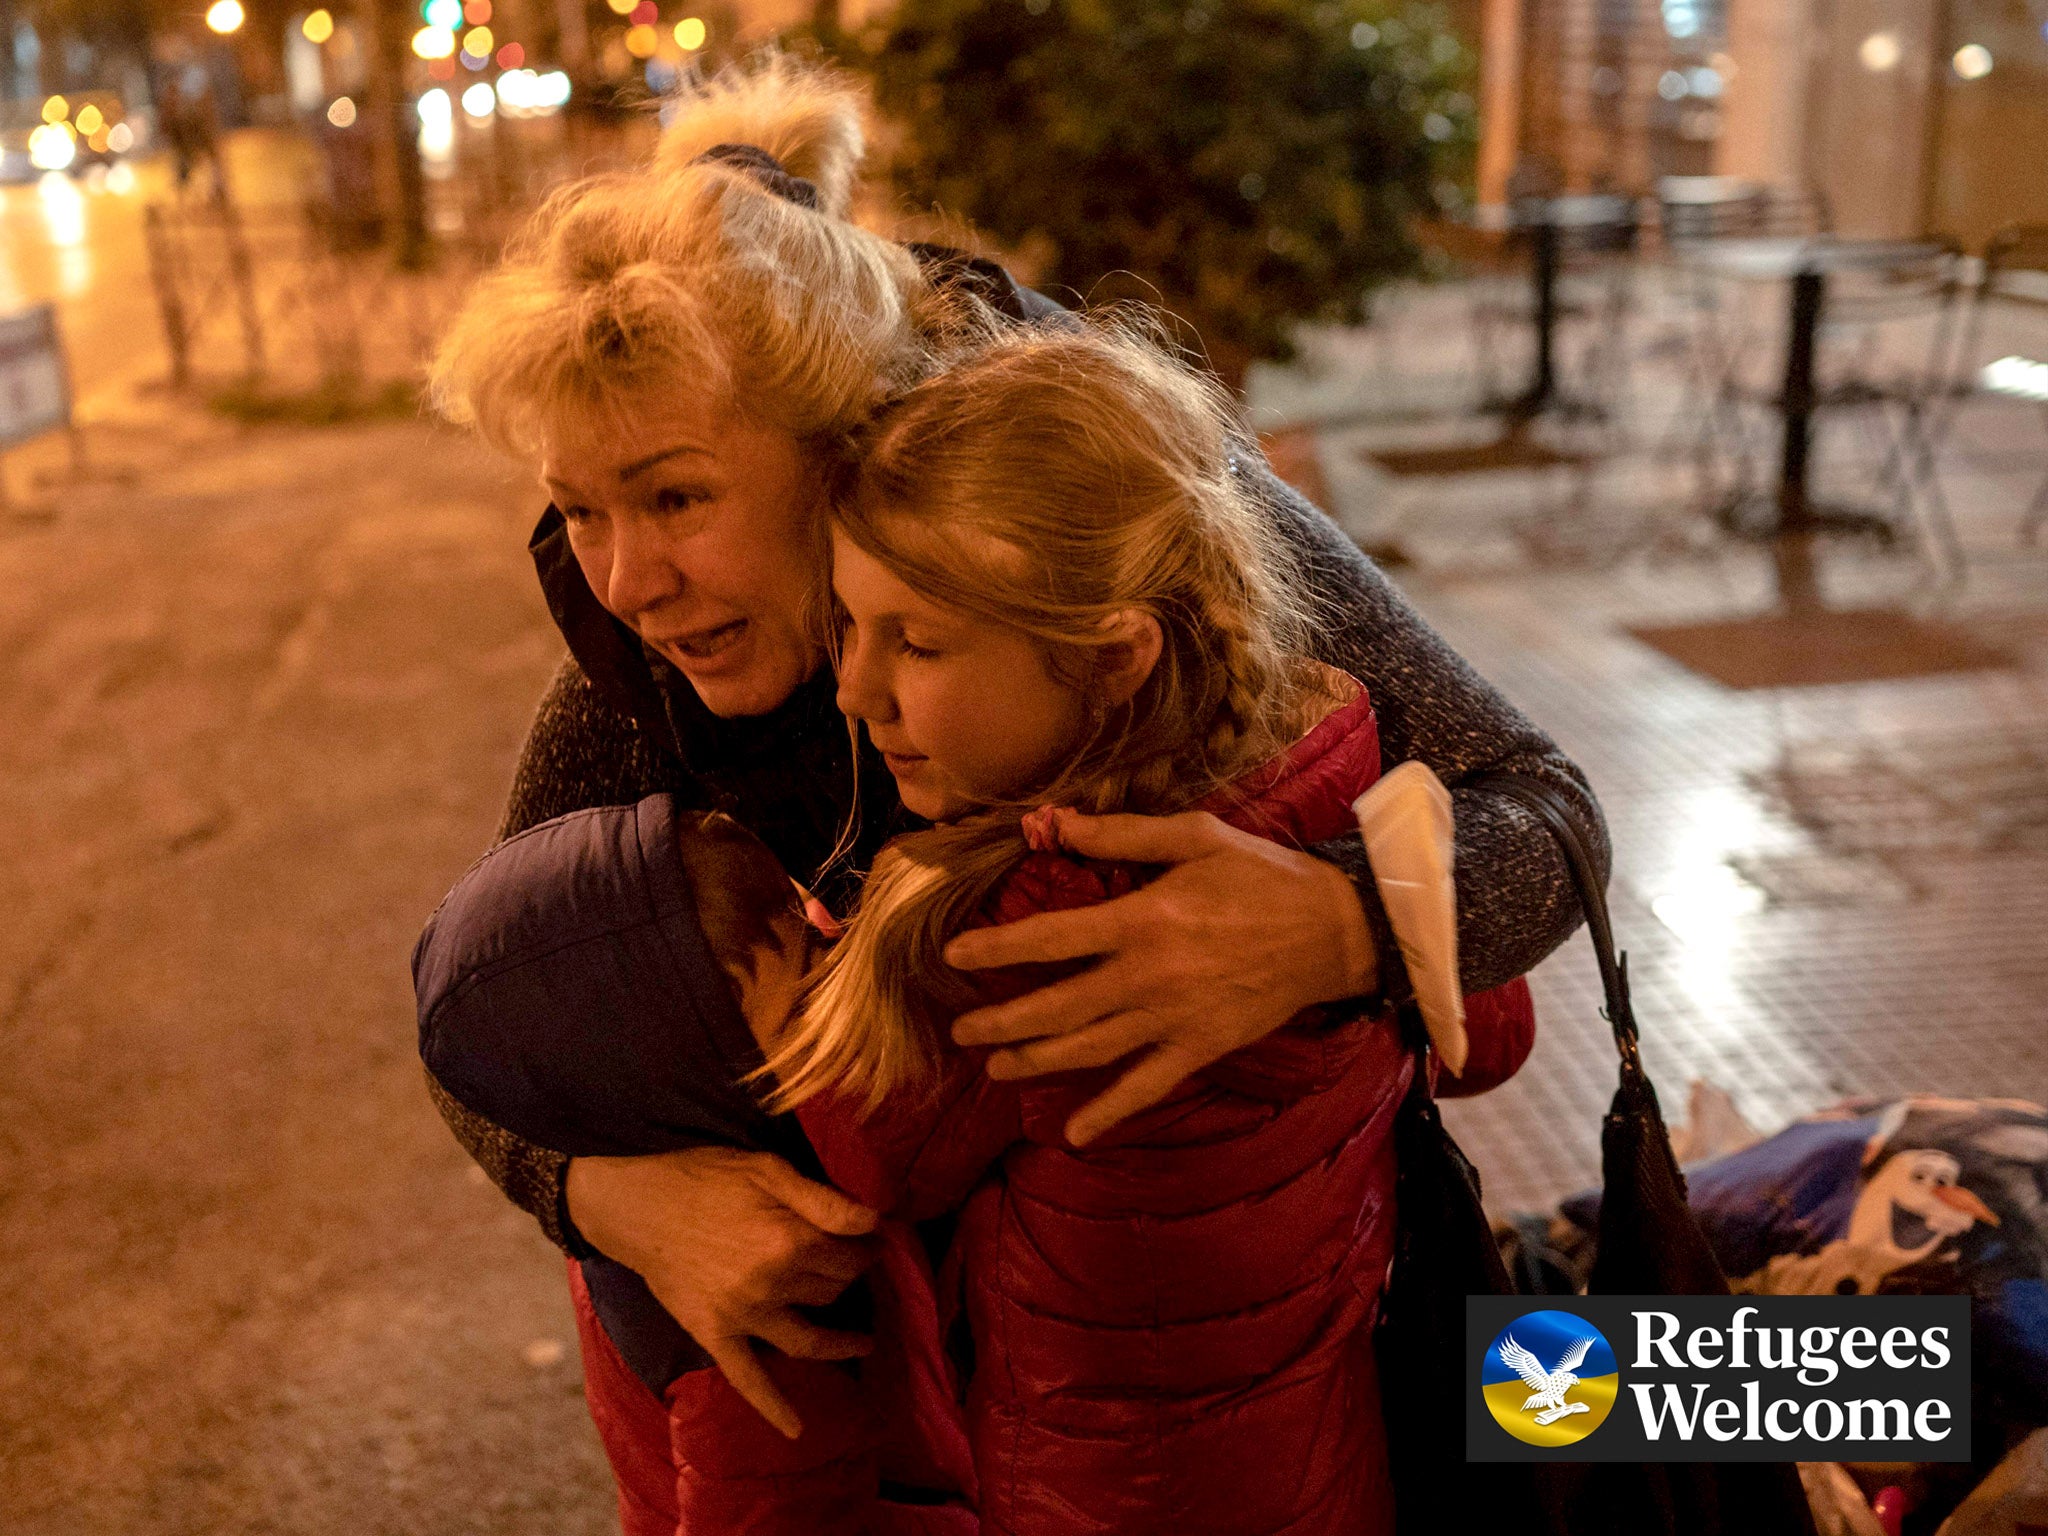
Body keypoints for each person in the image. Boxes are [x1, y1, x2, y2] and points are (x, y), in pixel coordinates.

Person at [421, 52, 1606, 1490]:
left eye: (678, 497)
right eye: (575, 511)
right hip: (857, 1406)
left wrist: (1334, 927)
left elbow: (1546, 810)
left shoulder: (1084, 499)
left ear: (840, 445)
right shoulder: (632, 675)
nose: (628, 583)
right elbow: (479, 1015)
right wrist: (613, 1202)